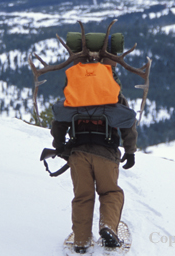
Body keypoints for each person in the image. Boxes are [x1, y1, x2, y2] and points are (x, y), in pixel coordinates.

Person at [51, 64, 137, 254]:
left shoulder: (73, 96)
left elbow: (58, 125)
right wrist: (130, 151)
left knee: (82, 197)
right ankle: (108, 227)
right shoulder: (116, 98)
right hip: (106, 154)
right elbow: (128, 126)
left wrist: (59, 147)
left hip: (78, 154)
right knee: (110, 192)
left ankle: (81, 240)